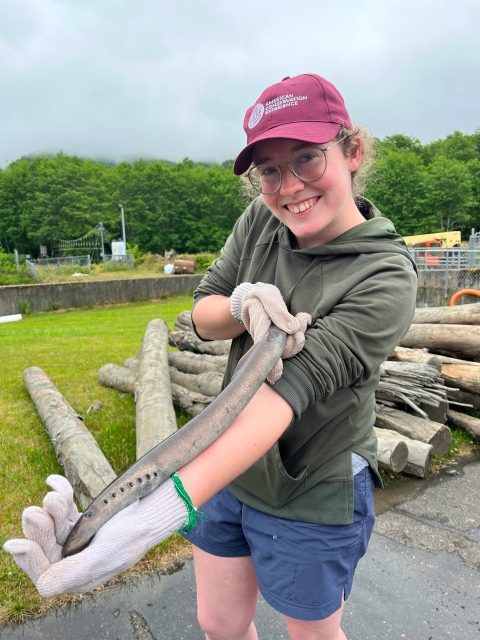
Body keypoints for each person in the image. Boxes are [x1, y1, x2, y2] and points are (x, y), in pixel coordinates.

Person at [4, 74, 417, 640]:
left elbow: (284, 391)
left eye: (308, 159)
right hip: (228, 473)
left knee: (311, 633)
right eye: (269, 170)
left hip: (313, 482)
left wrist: (153, 514)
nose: (289, 186)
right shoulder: (262, 222)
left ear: (352, 152)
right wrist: (243, 304)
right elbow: (201, 311)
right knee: (219, 624)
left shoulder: (385, 276)